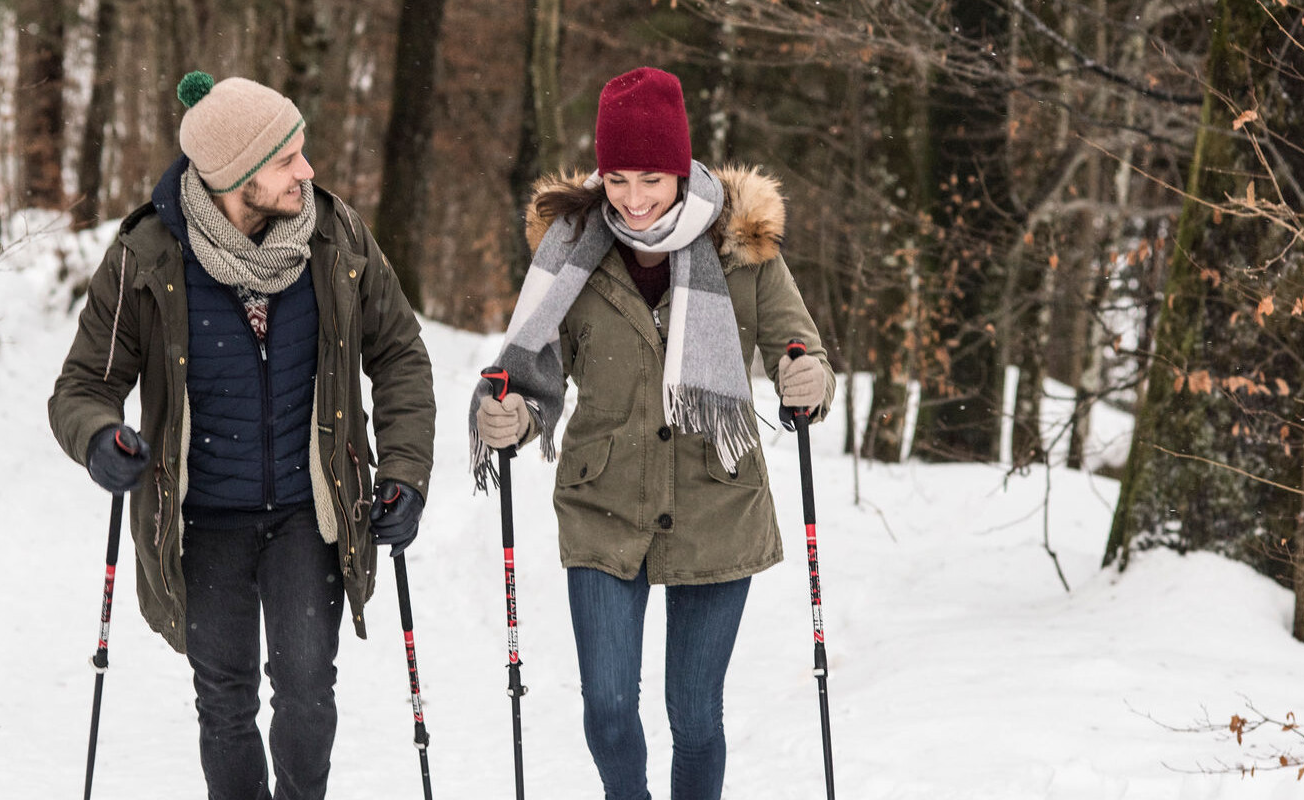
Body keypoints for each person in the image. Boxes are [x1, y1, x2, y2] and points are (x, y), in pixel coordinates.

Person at [48, 69, 435, 800]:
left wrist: (406, 471)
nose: (307, 171)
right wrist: (100, 437)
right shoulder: (148, 256)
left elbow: (400, 355)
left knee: (306, 692)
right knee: (225, 701)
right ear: (237, 176)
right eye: (288, 159)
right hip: (203, 519)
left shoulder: (337, 239)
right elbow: (84, 386)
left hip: (306, 513)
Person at [468, 66, 836, 800]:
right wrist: (507, 415)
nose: (634, 202)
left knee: (694, 717)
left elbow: (803, 350)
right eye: (618, 179)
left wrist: (808, 379)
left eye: (653, 180)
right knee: (607, 710)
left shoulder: (744, 246)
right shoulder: (570, 250)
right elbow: (529, 372)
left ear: (682, 169)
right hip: (604, 502)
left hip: (717, 505)